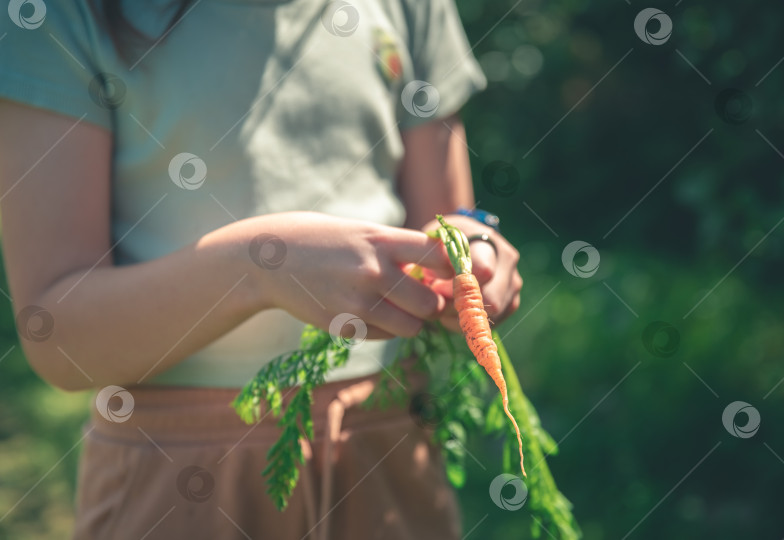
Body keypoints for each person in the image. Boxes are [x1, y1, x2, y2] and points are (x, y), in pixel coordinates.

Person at [0, 0, 522, 538]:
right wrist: (262, 265)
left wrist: (475, 247)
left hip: (389, 442)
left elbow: (448, 217)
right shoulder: (61, 15)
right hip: (176, 470)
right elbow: (56, 339)